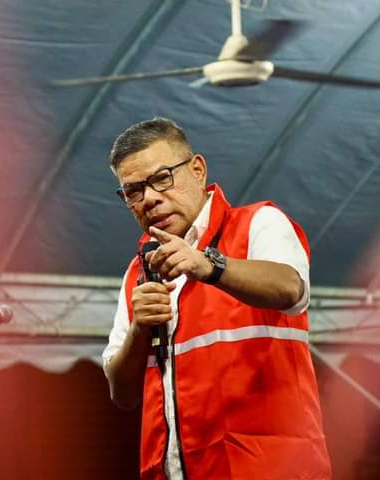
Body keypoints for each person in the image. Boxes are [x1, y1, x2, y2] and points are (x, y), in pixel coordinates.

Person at [102, 117, 331, 480]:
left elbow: (291, 287)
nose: (149, 198)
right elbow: (122, 393)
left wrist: (209, 265)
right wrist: (139, 330)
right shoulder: (138, 272)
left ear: (197, 170)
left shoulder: (260, 222)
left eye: (162, 178)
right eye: (133, 191)